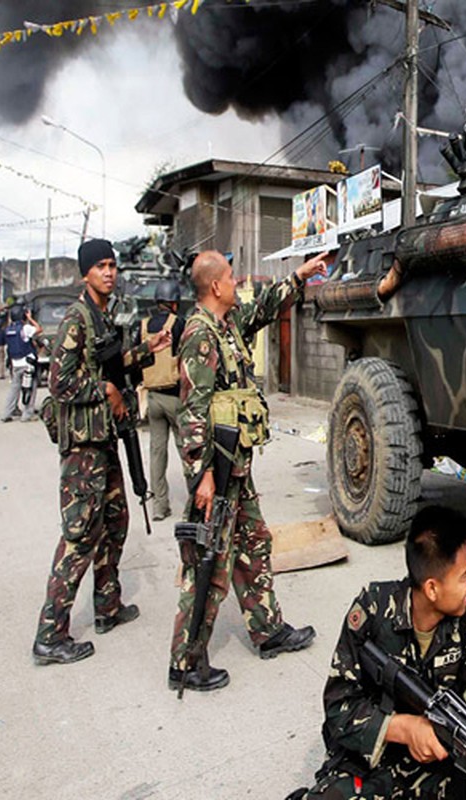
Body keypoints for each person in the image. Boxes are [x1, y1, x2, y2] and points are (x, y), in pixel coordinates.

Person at [167, 250, 330, 692]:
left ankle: (267, 629)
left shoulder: (226, 326)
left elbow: (263, 308)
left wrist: (300, 275)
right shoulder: (200, 335)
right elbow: (193, 410)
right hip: (215, 470)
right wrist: (201, 475)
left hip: (234, 464)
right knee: (210, 561)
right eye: (231, 277)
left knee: (254, 541)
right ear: (215, 286)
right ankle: (185, 661)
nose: (238, 282)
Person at [295, 505, 466, 799]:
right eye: (464, 575)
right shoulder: (372, 610)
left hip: (441, 765)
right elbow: (338, 709)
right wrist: (404, 728)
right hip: (373, 761)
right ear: (432, 589)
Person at [32, 239, 172, 666]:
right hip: (83, 448)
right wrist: (106, 390)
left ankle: (107, 606)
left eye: (113, 265)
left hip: (105, 440)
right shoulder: (77, 318)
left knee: (115, 522)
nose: (109, 272)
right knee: (79, 537)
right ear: (85, 274)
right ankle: (50, 634)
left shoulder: (102, 316)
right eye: (101, 267)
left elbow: (108, 362)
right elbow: (61, 382)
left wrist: (148, 349)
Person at [135, 279, 187, 520]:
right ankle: (195, 502)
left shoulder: (143, 326)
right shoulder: (178, 324)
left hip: (152, 397)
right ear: (174, 303)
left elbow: (136, 359)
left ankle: (159, 506)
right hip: (175, 398)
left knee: (157, 452)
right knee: (187, 450)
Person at [0, 304, 43, 422]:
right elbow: (39, 329)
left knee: (14, 389)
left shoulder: (8, 330)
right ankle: (27, 414)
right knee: (30, 388)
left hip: (15, 363)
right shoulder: (25, 328)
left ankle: (6, 413)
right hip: (28, 363)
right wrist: (30, 318)